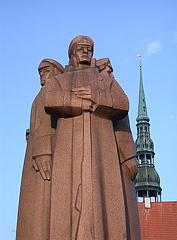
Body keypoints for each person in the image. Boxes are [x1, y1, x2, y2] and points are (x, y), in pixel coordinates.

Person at [44, 36, 141, 239]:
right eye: (80, 49)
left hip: (101, 148)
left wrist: (96, 96)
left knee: (102, 200)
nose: (85, 52)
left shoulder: (106, 82)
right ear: (72, 54)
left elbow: (123, 103)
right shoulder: (60, 80)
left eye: (88, 49)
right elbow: (50, 100)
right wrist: (79, 103)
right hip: (68, 148)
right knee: (68, 203)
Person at [16, 59, 64, 240]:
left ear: (56, 73)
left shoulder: (51, 91)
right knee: (35, 204)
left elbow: (47, 125)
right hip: (36, 153)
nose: (42, 75)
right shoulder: (43, 93)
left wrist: (43, 149)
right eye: (40, 72)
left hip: (45, 154)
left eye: (45, 71)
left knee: (42, 202)